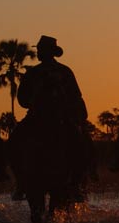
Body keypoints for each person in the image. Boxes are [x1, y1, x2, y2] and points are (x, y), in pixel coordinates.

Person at [13, 35, 89, 200]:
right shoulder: (33, 73)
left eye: (41, 49)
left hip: (61, 117)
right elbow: (22, 100)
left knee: (81, 144)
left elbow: (76, 96)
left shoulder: (64, 72)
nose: (39, 52)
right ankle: (20, 182)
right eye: (39, 49)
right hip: (36, 117)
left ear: (50, 52)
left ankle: (76, 184)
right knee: (14, 140)